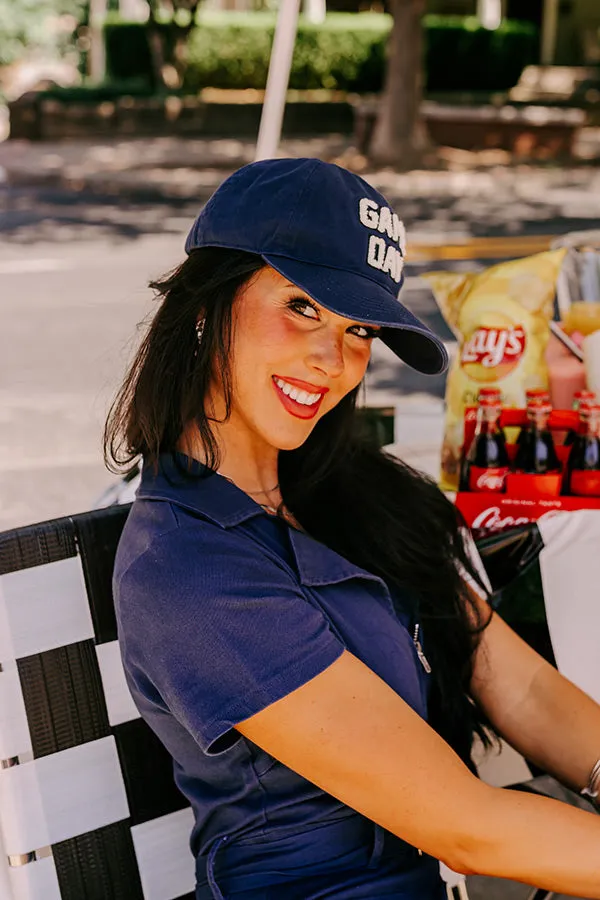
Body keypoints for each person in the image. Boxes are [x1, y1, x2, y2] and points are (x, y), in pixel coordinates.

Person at [106, 158, 600, 900]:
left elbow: (518, 685)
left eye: (359, 328)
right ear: (207, 305)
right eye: (302, 306)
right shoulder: (188, 569)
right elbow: (465, 828)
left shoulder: (359, 499)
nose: (332, 360)